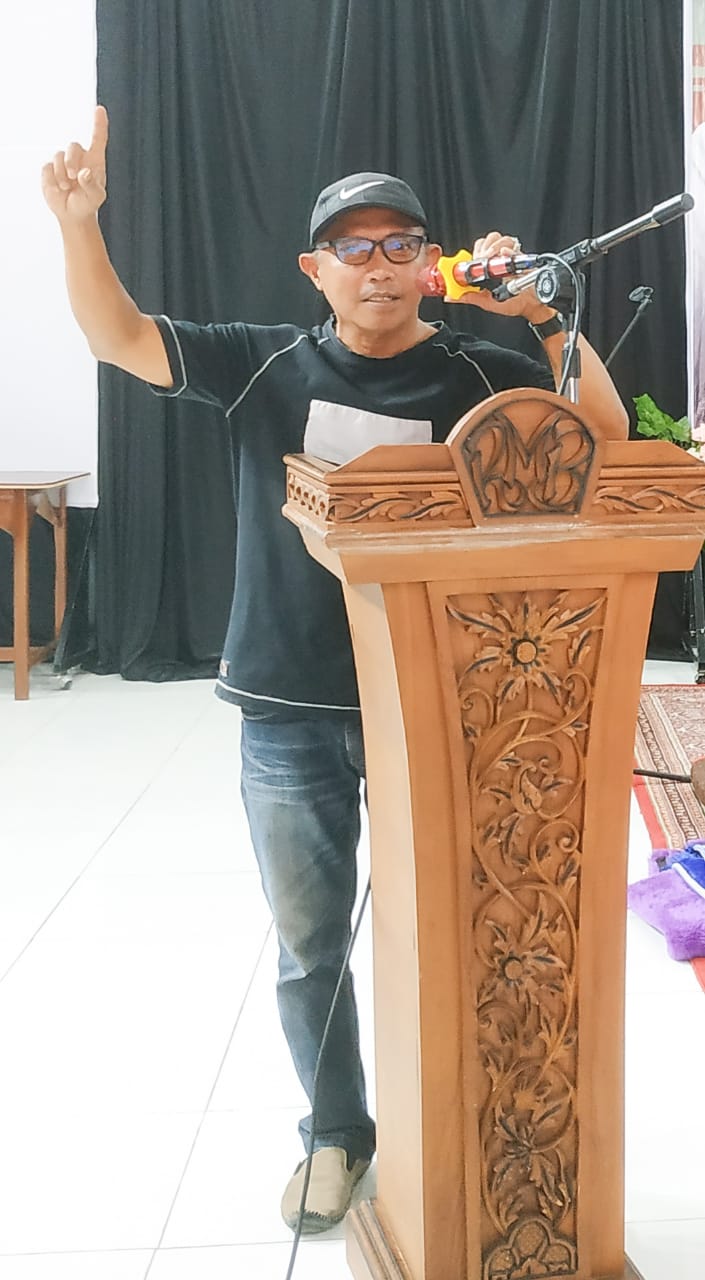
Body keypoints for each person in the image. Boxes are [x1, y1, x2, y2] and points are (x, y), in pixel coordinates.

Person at [42, 106, 629, 1235]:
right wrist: (78, 224)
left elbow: (601, 439)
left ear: (429, 262)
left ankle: (456, 1119)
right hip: (287, 708)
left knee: (455, 924)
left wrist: (546, 314)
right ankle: (336, 1131)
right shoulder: (260, 361)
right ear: (316, 270)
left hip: (442, 705)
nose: (377, 266)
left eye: (399, 244)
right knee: (311, 943)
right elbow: (118, 337)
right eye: (352, 249)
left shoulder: (478, 369)